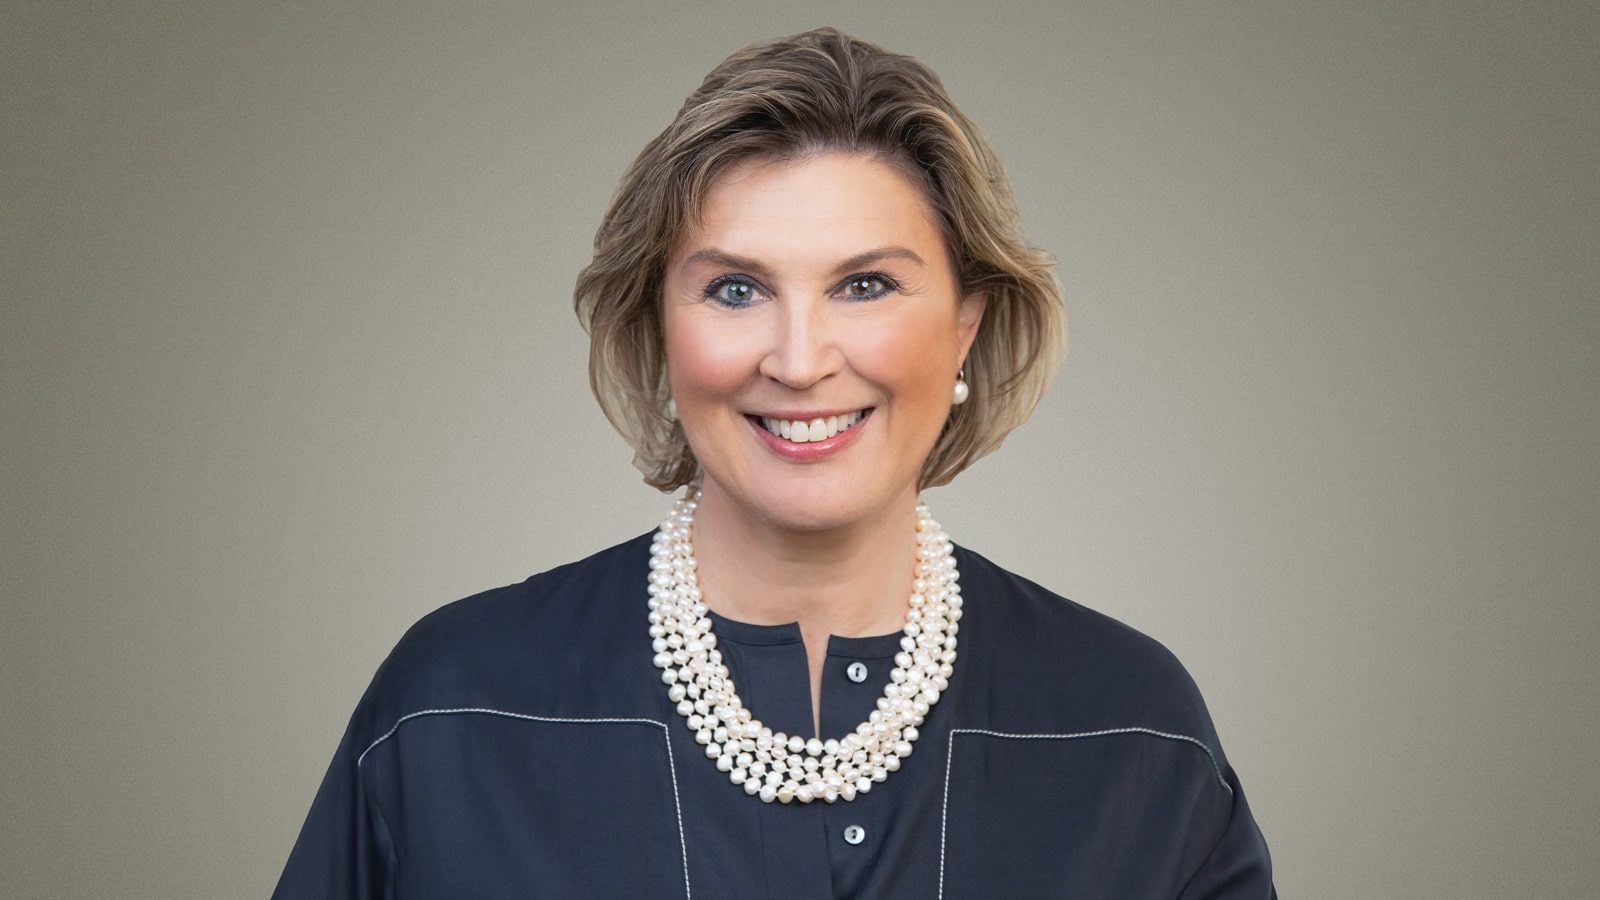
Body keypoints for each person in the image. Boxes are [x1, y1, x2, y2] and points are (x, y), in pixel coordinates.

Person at [274, 27, 1275, 898]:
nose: (799, 361)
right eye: (737, 291)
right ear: (660, 326)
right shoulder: (453, 706)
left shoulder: (1133, 729)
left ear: (965, 326)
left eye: (867, 285)